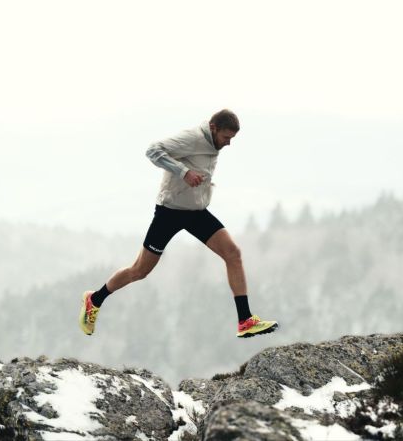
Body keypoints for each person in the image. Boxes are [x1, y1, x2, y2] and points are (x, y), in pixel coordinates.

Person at [80, 109, 278, 338]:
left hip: (196, 212)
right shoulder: (192, 138)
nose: (228, 143)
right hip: (170, 212)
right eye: (226, 138)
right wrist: (184, 172)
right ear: (213, 128)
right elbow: (152, 151)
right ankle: (94, 300)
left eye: (232, 139)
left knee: (233, 253)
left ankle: (245, 320)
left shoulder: (214, 142)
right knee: (140, 270)